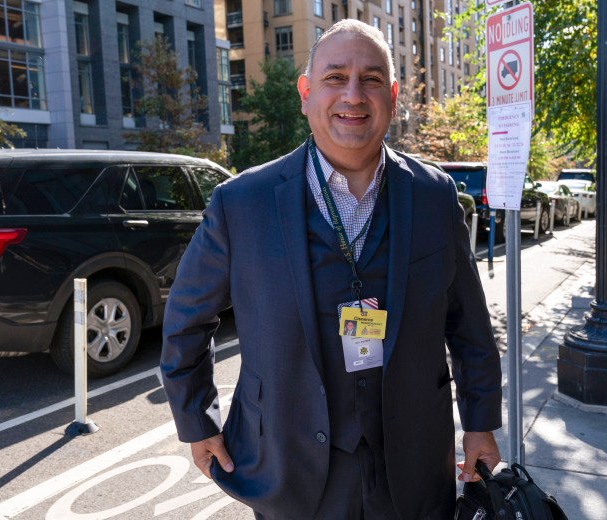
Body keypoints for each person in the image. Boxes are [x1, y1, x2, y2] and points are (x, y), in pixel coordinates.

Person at [160, 19, 502, 520]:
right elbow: (187, 320)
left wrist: (479, 422)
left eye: (370, 79)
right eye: (335, 77)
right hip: (288, 464)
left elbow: (469, 324)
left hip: (414, 463)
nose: (353, 94)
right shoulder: (241, 203)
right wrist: (197, 420)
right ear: (305, 93)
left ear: (393, 93)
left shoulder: (435, 197)